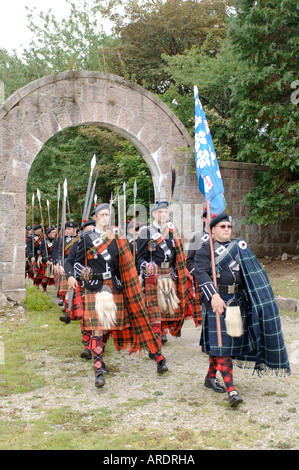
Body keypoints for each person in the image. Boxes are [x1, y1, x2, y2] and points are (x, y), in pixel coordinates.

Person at [194, 212, 291, 407]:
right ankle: (232, 390)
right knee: (223, 346)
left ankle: (210, 377)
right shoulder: (205, 250)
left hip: (237, 302)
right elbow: (201, 273)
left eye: (229, 227)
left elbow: (251, 275)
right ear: (212, 230)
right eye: (222, 227)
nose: (227, 230)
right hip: (218, 302)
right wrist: (213, 295)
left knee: (225, 345)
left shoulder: (239, 248)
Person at [71, 203, 161, 388]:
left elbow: (125, 264)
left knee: (106, 327)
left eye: (108, 214)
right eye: (102, 214)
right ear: (95, 217)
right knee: (98, 328)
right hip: (95, 286)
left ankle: (100, 359)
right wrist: (82, 272)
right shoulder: (86, 238)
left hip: (113, 285)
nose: (105, 217)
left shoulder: (117, 237)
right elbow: (73, 261)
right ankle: (97, 372)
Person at [136, 200, 190, 371]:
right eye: (159, 212)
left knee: (167, 315)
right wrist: (146, 267)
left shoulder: (173, 230)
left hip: (170, 277)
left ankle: (154, 345)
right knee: (155, 316)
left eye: (165, 212)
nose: (163, 215)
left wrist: (178, 271)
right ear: (153, 214)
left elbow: (179, 254)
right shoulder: (146, 232)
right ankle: (158, 354)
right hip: (154, 277)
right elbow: (139, 258)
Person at [64, 218, 96, 362]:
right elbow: (69, 262)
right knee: (85, 316)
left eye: (92, 230)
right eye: (87, 231)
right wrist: (70, 276)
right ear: (82, 232)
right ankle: (87, 346)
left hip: (101, 283)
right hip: (83, 284)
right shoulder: (77, 244)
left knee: (98, 316)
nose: (90, 233)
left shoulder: (102, 245)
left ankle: (96, 343)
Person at [39, 226, 57, 292]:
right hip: (47, 259)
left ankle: (59, 291)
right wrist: (46, 260)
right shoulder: (44, 241)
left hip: (55, 259)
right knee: (46, 277)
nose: (54, 234)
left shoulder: (57, 240)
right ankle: (44, 289)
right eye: (52, 232)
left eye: (55, 232)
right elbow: (42, 251)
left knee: (57, 276)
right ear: (48, 234)